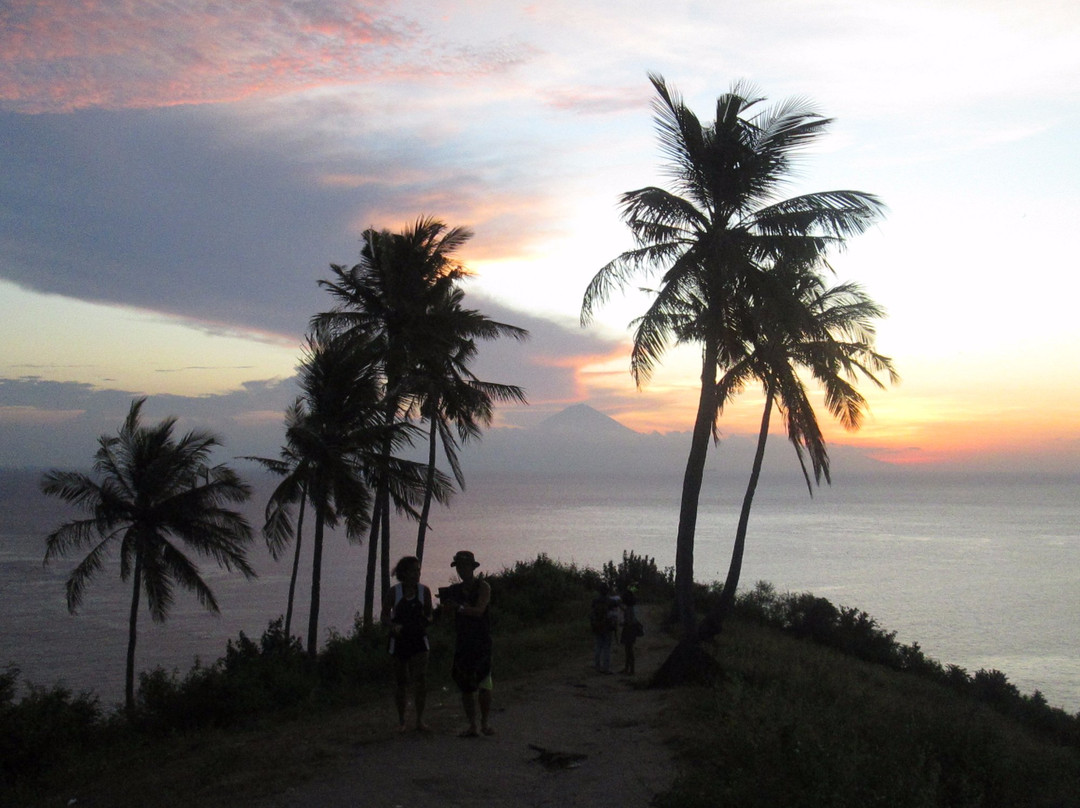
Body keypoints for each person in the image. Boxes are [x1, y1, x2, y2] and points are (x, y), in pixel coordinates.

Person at [440, 550, 494, 737]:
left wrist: (458, 608)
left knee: (484, 683)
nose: (461, 570)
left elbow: (479, 611)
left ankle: (484, 723)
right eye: (459, 567)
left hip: (481, 640)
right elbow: (447, 617)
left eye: (464, 566)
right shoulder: (454, 590)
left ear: (472, 567)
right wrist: (447, 609)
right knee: (465, 686)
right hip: (463, 641)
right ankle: (473, 725)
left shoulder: (483, 586)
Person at [380, 555, 434, 732]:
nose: (417, 574)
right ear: (404, 573)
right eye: (413, 571)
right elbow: (384, 616)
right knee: (401, 681)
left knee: (421, 679)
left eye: (418, 570)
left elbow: (429, 614)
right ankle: (402, 720)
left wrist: (426, 621)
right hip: (399, 640)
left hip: (418, 639)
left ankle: (419, 720)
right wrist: (393, 626)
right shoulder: (394, 592)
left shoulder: (424, 591)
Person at [590, 583, 618, 674]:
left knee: (598, 646)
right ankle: (606, 668)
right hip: (607, 627)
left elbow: (592, 613)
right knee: (607, 648)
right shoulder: (611, 601)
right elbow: (615, 612)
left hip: (597, 626)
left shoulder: (595, 601)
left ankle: (597, 666)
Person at [619, 587, 642, 675]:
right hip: (632, 630)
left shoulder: (629, 609)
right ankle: (628, 669)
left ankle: (630, 670)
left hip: (629, 630)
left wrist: (622, 624)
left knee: (629, 651)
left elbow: (629, 621)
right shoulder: (631, 608)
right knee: (629, 650)